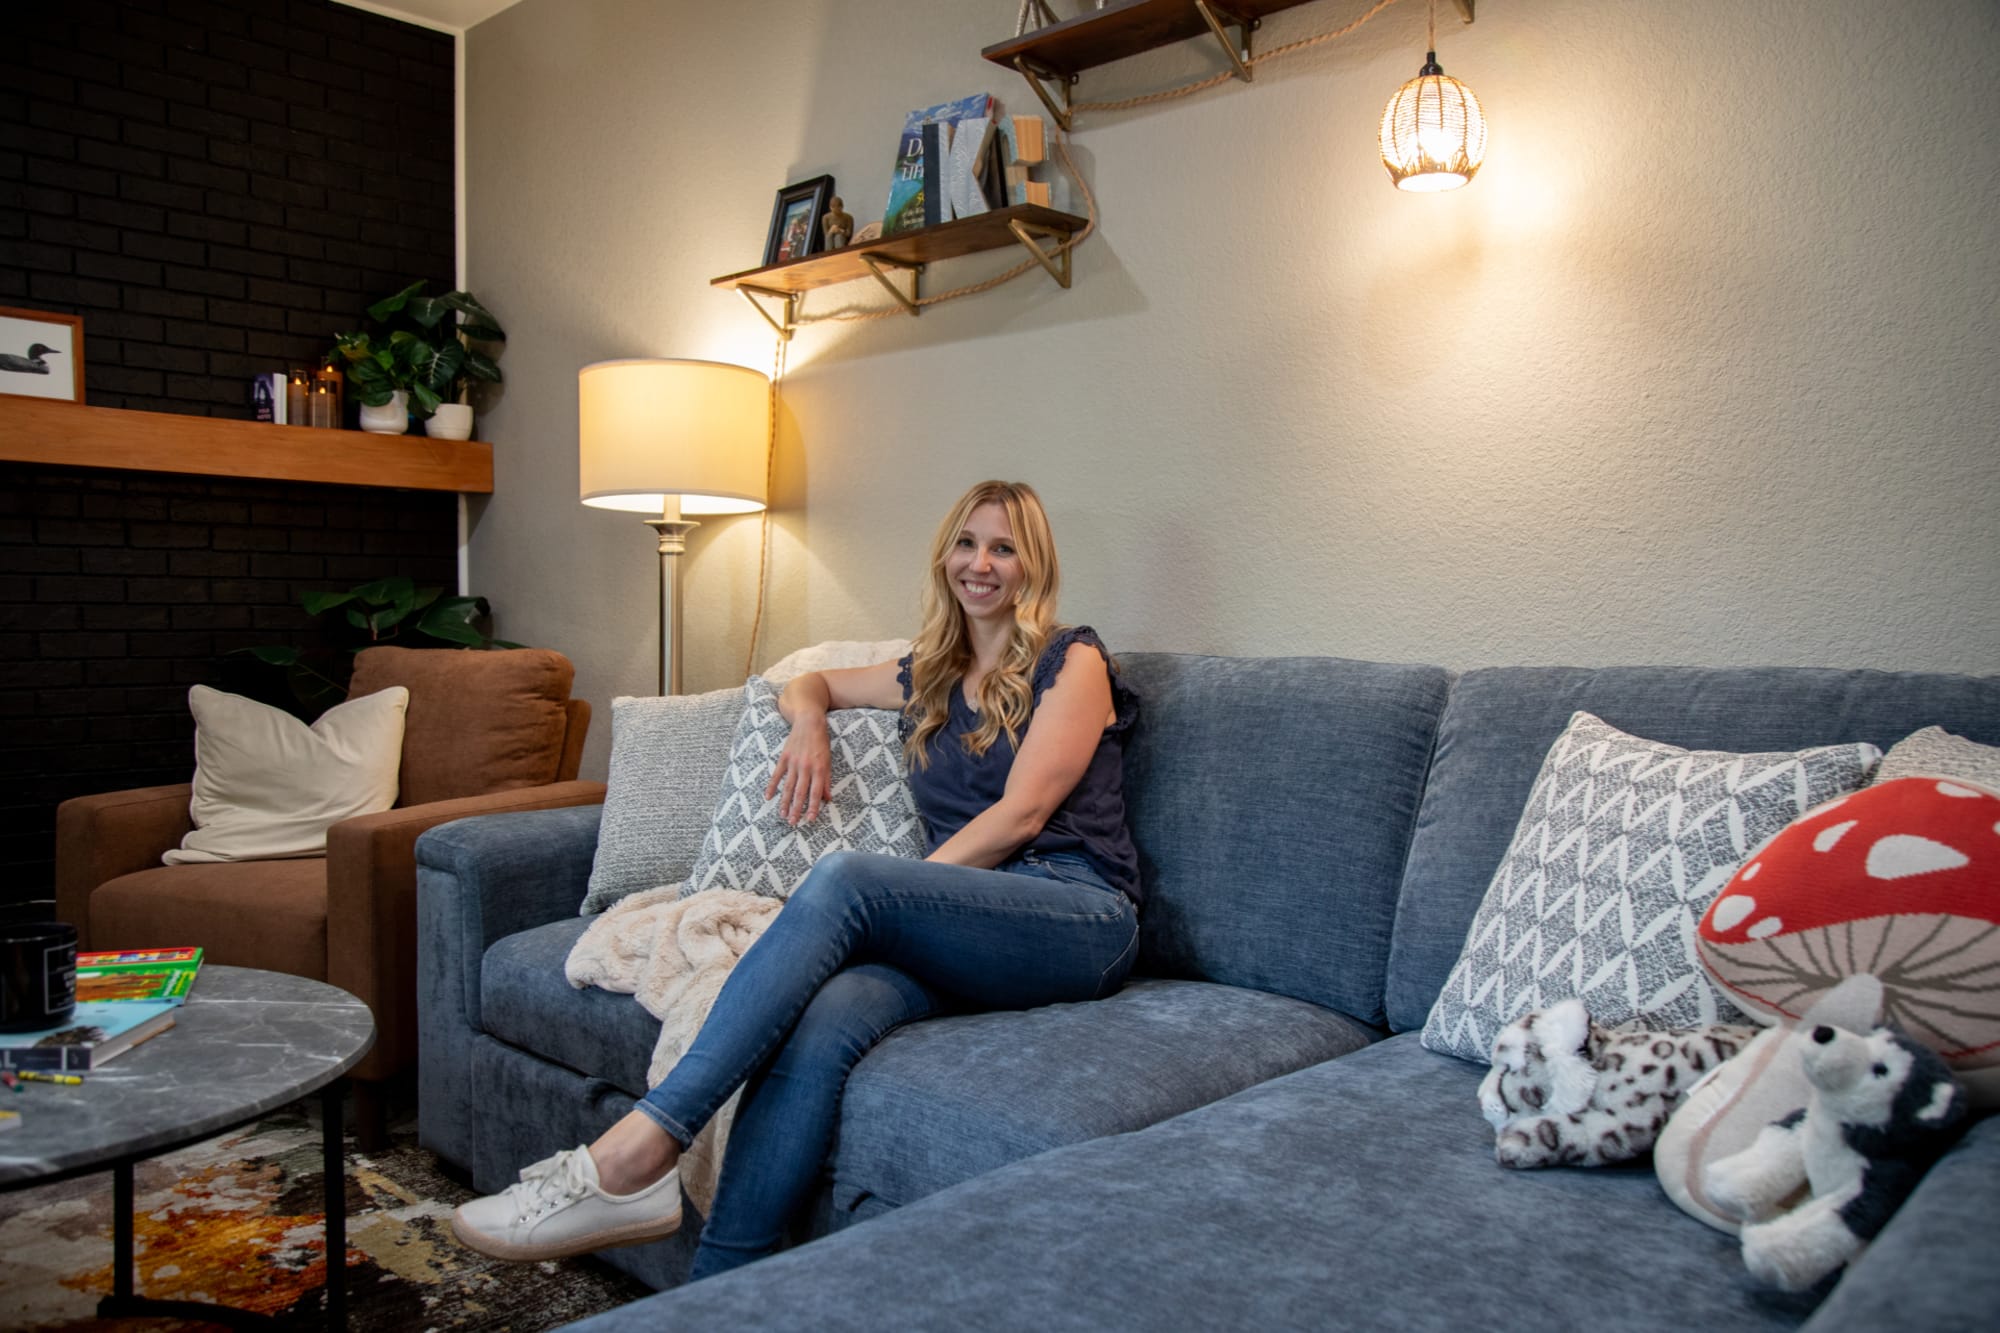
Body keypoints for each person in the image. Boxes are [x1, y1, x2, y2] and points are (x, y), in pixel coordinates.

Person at [452, 479, 1142, 1277]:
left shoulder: (1074, 658)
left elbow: (1022, 817)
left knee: (850, 881)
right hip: (976, 924)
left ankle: (639, 1151)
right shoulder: (932, 672)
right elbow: (805, 685)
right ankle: (718, 1291)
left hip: (1077, 913)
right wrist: (810, 726)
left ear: (1033, 566)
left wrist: (898, 896)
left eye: (1003, 547)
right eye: (966, 542)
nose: (979, 563)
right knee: (828, 1013)